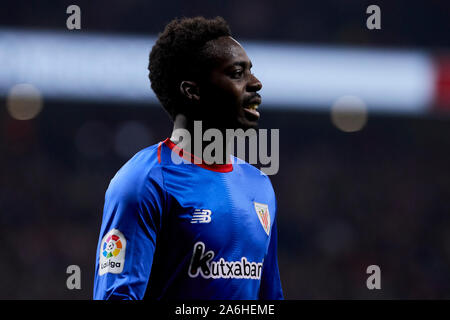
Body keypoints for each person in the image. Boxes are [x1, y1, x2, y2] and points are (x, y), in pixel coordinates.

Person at [93, 16, 283, 300]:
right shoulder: (144, 182)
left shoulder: (259, 185)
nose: (256, 83)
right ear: (192, 91)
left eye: (251, 71)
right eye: (237, 73)